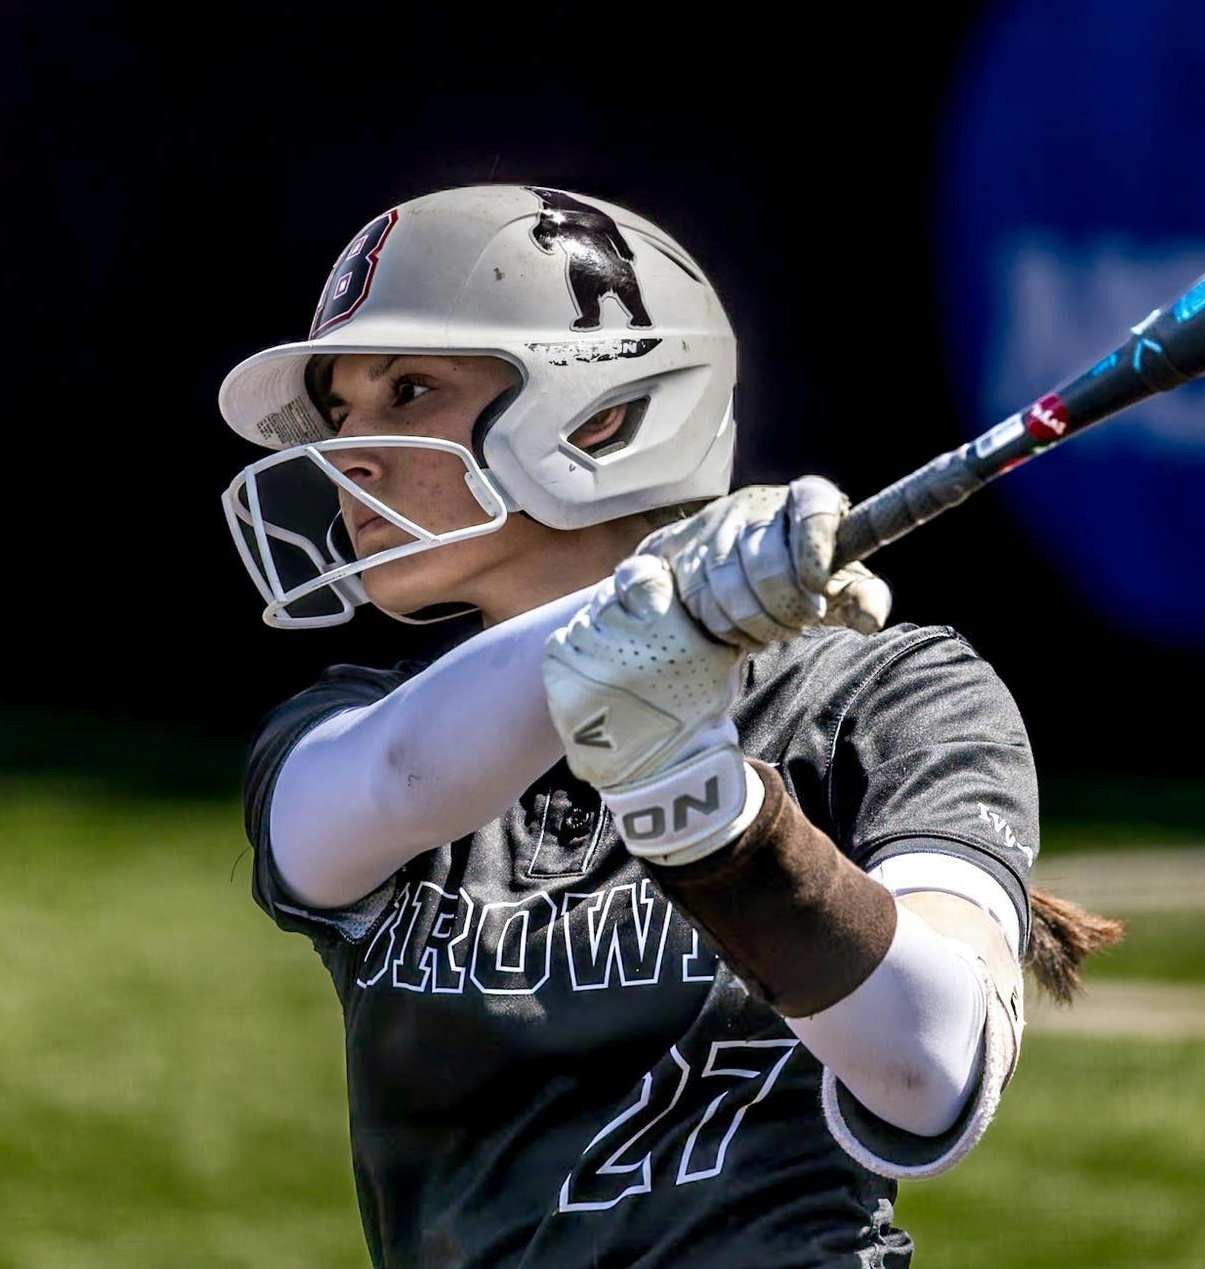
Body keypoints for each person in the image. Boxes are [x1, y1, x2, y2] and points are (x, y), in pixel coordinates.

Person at [219, 185, 1119, 1268]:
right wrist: (653, 612)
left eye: (407, 390)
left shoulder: (890, 693)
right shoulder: (360, 722)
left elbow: (933, 1068)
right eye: (340, 413)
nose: (346, 454)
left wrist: (710, 812)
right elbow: (393, 781)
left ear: (600, 411)